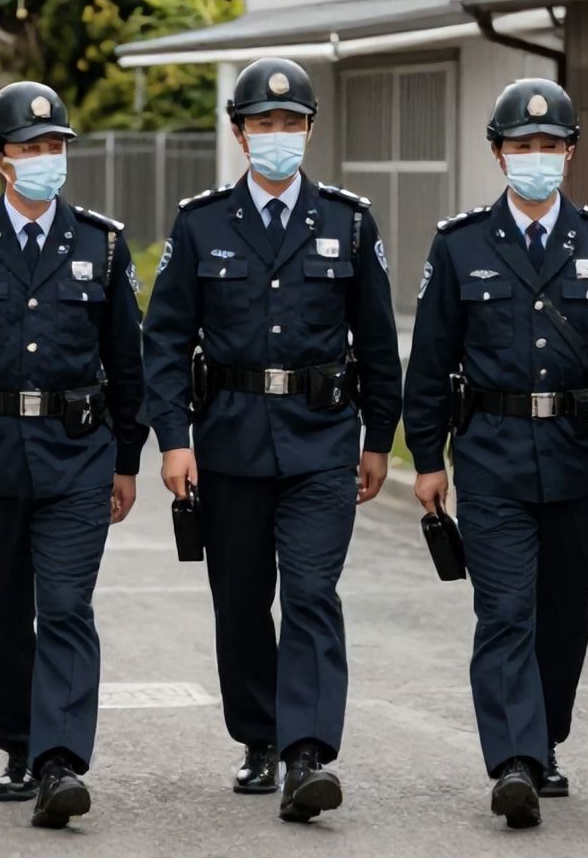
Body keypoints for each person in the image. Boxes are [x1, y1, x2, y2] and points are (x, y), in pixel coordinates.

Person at [141, 57, 402, 823]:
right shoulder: (201, 224)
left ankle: (308, 751)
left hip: (323, 442)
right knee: (242, 599)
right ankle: (258, 734)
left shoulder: (349, 223)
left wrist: (379, 438)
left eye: (291, 124)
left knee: (314, 593)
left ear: (310, 130)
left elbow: (379, 342)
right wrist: (173, 438)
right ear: (239, 132)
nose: (278, 136)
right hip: (229, 444)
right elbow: (165, 341)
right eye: (264, 124)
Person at [403, 77, 588, 829]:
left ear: (571, 154)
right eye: (523, 146)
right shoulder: (459, 246)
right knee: (505, 611)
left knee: (564, 613)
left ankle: (543, 735)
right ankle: (514, 759)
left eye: (551, 146)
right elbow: (430, 362)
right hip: (490, 459)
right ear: (498, 153)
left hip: (581, 458)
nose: (537, 158)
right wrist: (426, 459)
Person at [0, 81, 147, 829]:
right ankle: (18, 744)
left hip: (77, 457)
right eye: (31, 146)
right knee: (2, 613)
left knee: (68, 607)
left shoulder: (101, 244)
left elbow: (127, 364)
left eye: (56, 146)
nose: (46, 158)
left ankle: (61, 760)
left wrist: (127, 459)